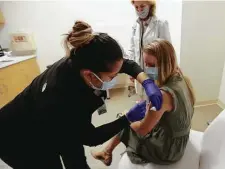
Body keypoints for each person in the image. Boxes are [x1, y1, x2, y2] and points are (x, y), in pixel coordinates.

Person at [0, 21, 162, 169]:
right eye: (112, 77)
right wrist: (126, 119)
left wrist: (146, 82)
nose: (115, 78)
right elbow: (89, 137)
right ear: (90, 75)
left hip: (53, 121)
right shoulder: (62, 97)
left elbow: (126, 65)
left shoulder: (84, 59)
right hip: (16, 137)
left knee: (73, 153)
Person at [91, 39, 195, 167]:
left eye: (151, 65)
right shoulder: (180, 76)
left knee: (125, 121)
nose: (147, 70)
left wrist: (127, 117)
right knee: (129, 119)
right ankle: (107, 151)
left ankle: (107, 152)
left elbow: (142, 130)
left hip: (168, 151)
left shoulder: (163, 95)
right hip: (180, 139)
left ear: (165, 64)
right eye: (145, 64)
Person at [127, 0, 171, 97]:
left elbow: (167, 51)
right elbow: (132, 48)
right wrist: (130, 70)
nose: (139, 10)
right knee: (141, 97)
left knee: (154, 97)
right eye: (136, 7)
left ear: (150, 5)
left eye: (142, 6)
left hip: (154, 69)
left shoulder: (160, 24)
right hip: (138, 69)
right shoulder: (136, 25)